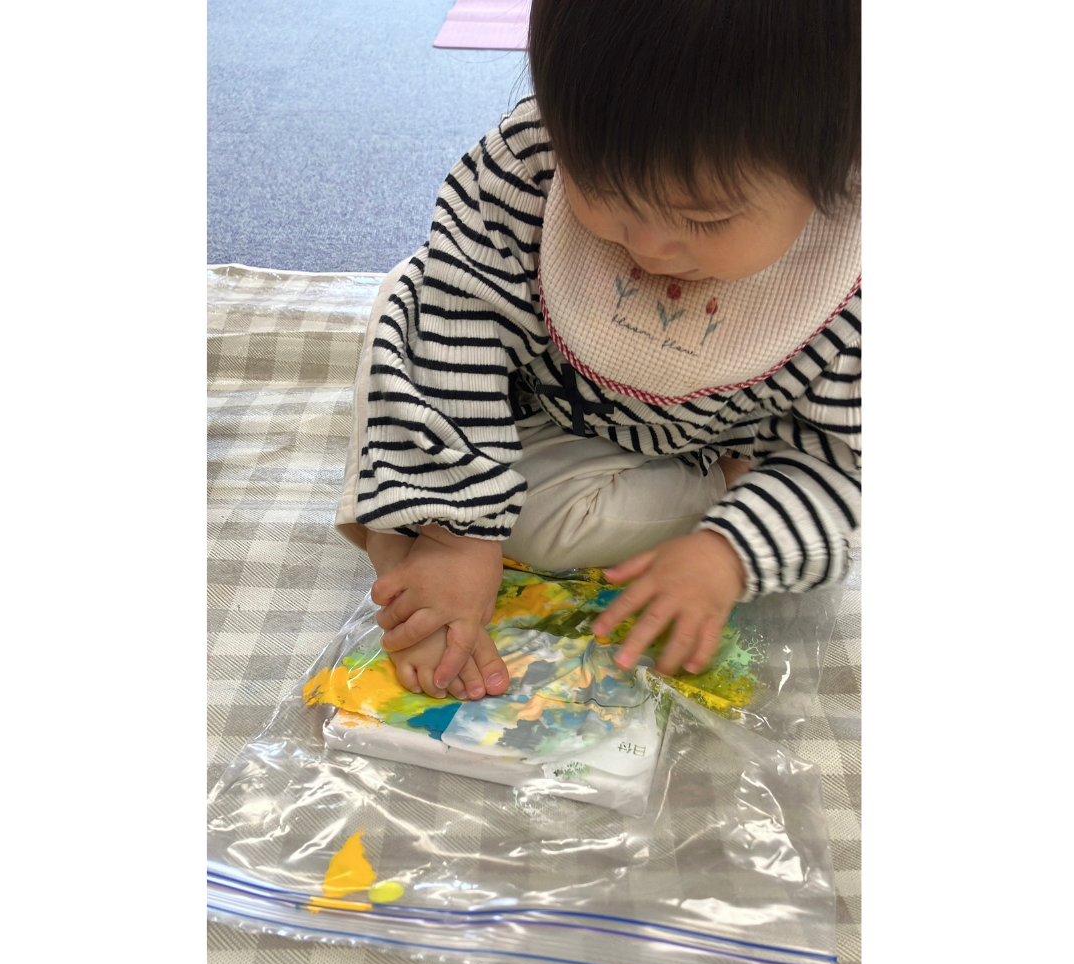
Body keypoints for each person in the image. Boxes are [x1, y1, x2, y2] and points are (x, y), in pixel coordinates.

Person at [335, 0, 861, 703]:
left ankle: (404, 520)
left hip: (718, 452)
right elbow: (456, 324)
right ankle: (429, 523)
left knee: (555, 529)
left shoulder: (849, 285)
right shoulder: (528, 169)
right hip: (538, 400)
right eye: (602, 190)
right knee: (408, 298)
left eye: (704, 218)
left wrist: (727, 551)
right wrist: (460, 532)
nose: (647, 246)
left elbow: (843, 469)